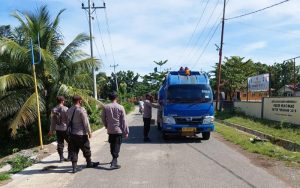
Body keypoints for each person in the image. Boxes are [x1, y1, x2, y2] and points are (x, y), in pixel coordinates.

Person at [67, 95, 99, 173]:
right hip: (81, 134)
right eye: (81, 100)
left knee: (74, 150)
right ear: (79, 101)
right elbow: (86, 122)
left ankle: (74, 167)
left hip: (72, 134)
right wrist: (89, 132)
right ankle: (89, 163)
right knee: (86, 148)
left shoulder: (69, 110)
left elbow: (68, 121)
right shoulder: (81, 110)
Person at [101, 92, 129, 169]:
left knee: (112, 144)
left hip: (110, 130)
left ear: (109, 98)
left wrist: (106, 125)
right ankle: (114, 162)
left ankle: (113, 159)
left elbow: (103, 118)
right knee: (117, 145)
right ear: (116, 98)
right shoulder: (120, 107)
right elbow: (124, 120)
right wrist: (126, 131)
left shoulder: (106, 107)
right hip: (118, 130)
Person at [48, 96, 71, 162]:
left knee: (60, 143)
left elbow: (53, 121)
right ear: (62, 101)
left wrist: (51, 130)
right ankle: (69, 157)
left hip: (58, 129)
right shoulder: (66, 109)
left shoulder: (53, 109)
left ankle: (61, 158)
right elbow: (68, 120)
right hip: (65, 128)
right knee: (70, 142)